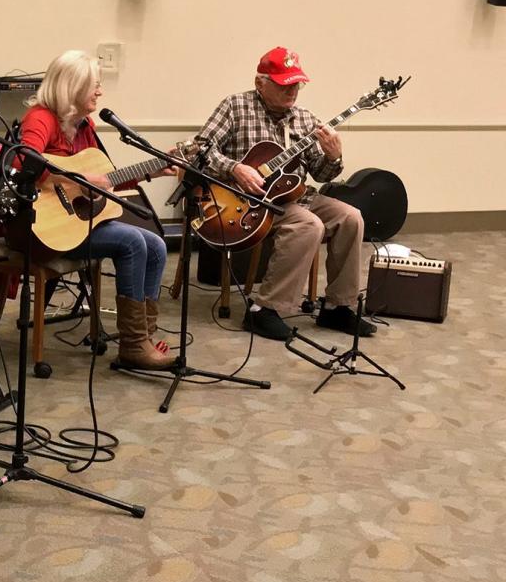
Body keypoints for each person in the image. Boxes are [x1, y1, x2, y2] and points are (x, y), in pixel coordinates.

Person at [194, 46, 374, 341]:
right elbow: (200, 150)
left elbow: (322, 174)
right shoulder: (235, 107)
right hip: (249, 202)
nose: (292, 91)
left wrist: (333, 158)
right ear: (260, 83)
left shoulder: (304, 119)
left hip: (297, 195)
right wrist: (235, 168)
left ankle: (338, 307)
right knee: (307, 224)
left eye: (296, 84)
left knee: (351, 217)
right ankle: (263, 310)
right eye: (284, 85)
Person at [19, 49, 174, 370]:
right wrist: (76, 176)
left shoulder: (85, 125)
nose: (100, 91)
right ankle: (133, 346)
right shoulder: (41, 118)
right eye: (95, 84)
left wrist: (154, 169)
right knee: (132, 242)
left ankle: (143, 336)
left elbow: (105, 178)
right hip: (42, 228)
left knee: (157, 244)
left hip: (80, 223)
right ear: (72, 86)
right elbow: (25, 161)